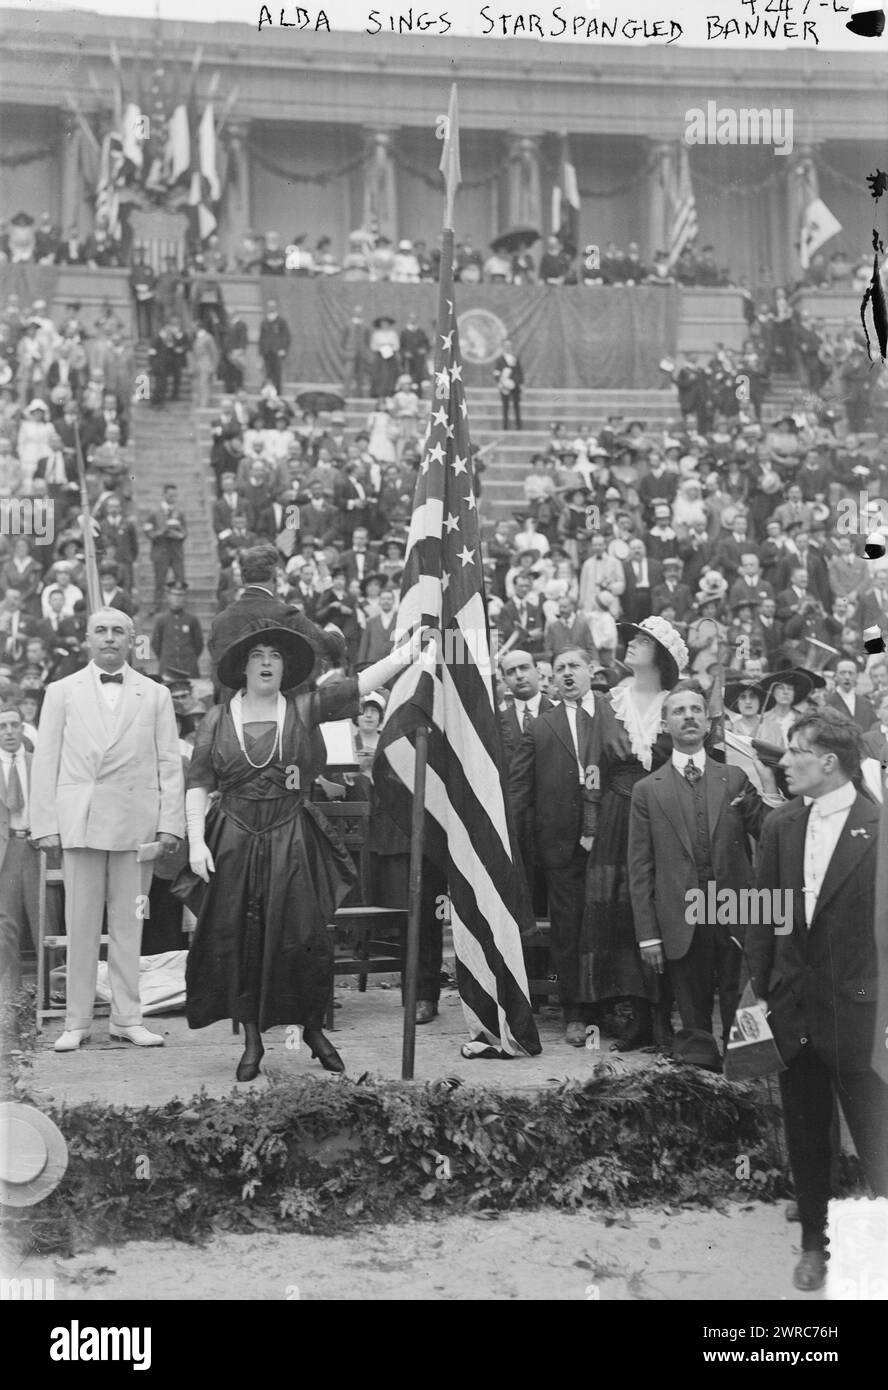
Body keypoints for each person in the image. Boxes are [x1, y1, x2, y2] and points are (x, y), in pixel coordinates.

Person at [183, 619, 429, 1081]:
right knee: (242, 940)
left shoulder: (303, 708)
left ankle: (313, 1030)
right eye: (257, 656)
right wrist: (197, 842)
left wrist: (410, 651)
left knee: (304, 936)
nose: (266, 663)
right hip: (233, 837)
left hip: (291, 834)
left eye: (275, 656)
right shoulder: (216, 720)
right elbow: (198, 784)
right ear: (242, 667)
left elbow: (361, 683)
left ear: (285, 668)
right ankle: (252, 1042)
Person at [747, 708, 888, 1292]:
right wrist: (761, 989)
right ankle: (816, 1246)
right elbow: (762, 915)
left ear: (829, 761)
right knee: (805, 1133)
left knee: (877, 1133)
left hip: (859, 1012)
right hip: (793, 1006)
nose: (783, 762)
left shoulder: (877, 826)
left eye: (794, 750)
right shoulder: (781, 825)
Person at [30, 609, 185, 1051]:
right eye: (101, 631)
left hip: (136, 829)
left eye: (119, 631)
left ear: (132, 641)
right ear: (87, 639)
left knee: (131, 922)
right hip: (80, 823)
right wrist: (46, 824)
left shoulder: (154, 695)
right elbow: (46, 760)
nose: (110, 638)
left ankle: (127, 1017)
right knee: (80, 925)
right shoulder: (61, 692)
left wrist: (169, 822)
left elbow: (169, 762)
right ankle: (76, 1021)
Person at [628, 682, 780, 1050]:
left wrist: (769, 783)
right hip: (681, 915)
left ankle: (744, 1075)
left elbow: (770, 834)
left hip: (733, 909)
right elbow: (640, 867)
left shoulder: (734, 778)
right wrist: (648, 934)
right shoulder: (648, 789)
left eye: (696, 709)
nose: (688, 717)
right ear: (665, 724)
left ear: (709, 722)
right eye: (678, 711)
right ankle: (701, 1075)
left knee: (740, 1003)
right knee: (692, 1010)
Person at [581, 616, 689, 1051]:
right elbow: (593, 768)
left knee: (662, 905)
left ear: (660, 656)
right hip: (616, 812)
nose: (631, 645)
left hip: (664, 814)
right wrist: (590, 826)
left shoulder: (678, 703)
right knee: (622, 914)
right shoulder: (609, 703)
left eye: (643, 640)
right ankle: (637, 1016)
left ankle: (666, 1015)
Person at [509, 647, 600, 1044]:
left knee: (611, 921)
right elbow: (519, 789)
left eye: (574, 667)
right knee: (568, 926)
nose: (567, 674)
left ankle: (622, 1010)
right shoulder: (541, 727)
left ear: (590, 671)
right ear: (551, 678)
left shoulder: (615, 717)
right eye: (560, 668)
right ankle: (575, 1012)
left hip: (611, 840)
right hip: (561, 844)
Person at [0, 703, 41, 1009]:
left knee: (46, 923)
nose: (9, 732)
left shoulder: (36, 762)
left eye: (14, 725)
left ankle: (52, 995)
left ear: (22, 728)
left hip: (37, 848)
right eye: (2, 727)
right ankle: (9, 1001)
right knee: (7, 925)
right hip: (6, 851)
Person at [144, 483, 188, 613]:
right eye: (170, 495)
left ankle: (181, 604)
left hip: (176, 552)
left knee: (180, 579)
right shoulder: (154, 513)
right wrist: (162, 531)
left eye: (175, 495)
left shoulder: (179, 513)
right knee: (159, 580)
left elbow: (185, 532)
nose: (173, 498)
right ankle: (156, 604)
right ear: (164, 495)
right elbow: (147, 531)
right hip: (160, 551)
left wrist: (178, 533)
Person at [151, 581, 204, 679]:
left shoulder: (192, 619)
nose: (177, 598)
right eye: (174, 595)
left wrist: (189, 658)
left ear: (185, 597)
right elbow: (155, 644)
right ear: (168, 596)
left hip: (188, 668)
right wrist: (166, 658)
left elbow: (199, 645)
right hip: (168, 668)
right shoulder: (161, 619)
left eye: (181, 595)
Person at [258, 299, 291, 394]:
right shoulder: (264, 322)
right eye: (269, 306)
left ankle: (278, 392)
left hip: (277, 351)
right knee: (268, 373)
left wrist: (283, 349)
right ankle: (268, 392)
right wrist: (260, 353)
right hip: (266, 351)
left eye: (272, 306)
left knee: (277, 373)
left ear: (275, 307)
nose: (271, 308)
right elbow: (261, 338)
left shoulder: (281, 321)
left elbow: (286, 336)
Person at [493, 340, 523, 431]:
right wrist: (501, 382)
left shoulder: (515, 358)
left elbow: (519, 371)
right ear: (503, 347)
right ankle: (505, 426)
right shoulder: (500, 360)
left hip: (515, 385)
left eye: (509, 345)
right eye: (506, 345)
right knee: (505, 406)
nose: (508, 347)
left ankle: (518, 425)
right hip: (504, 386)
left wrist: (518, 383)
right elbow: (496, 372)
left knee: (516, 405)